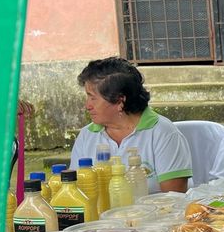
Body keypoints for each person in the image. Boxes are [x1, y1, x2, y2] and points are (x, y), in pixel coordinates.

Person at [69, 57, 191, 193]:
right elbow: (75, 191)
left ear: (120, 101)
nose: (87, 106)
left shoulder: (163, 133)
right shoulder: (87, 135)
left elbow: (174, 198)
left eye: (93, 98)